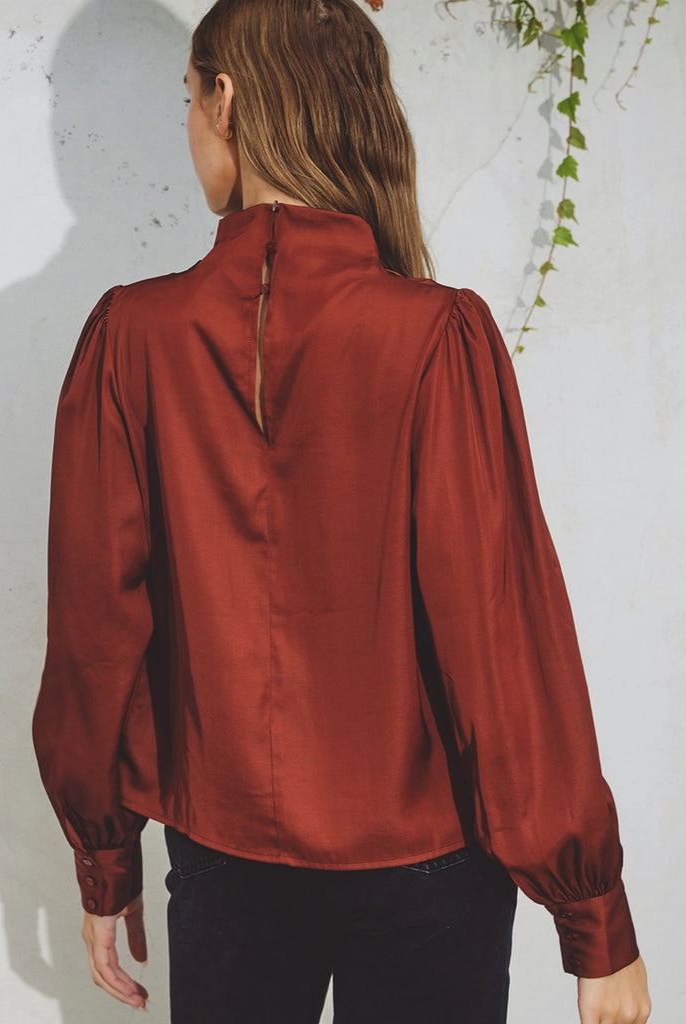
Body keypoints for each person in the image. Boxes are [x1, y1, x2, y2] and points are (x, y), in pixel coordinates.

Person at [32, 1, 652, 1021]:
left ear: (225, 100)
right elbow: (499, 639)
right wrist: (593, 915)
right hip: (430, 867)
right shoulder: (437, 336)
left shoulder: (131, 338)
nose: (189, 126)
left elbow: (96, 630)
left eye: (187, 98)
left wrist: (107, 857)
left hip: (223, 861)